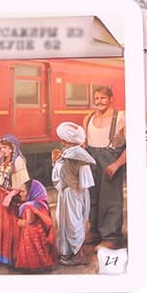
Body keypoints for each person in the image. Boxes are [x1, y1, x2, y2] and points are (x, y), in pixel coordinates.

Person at [83, 86, 126, 250]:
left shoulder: (121, 118)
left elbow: (132, 146)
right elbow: (84, 143)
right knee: (91, 198)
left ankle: (111, 237)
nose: (99, 101)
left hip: (110, 160)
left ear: (111, 99)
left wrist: (116, 164)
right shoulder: (88, 118)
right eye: (96, 98)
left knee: (110, 200)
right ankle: (94, 232)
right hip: (91, 160)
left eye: (103, 98)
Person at [51, 122, 96, 266]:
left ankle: (75, 254)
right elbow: (63, 173)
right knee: (67, 222)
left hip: (72, 194)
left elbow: (83, 181)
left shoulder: (77, 156)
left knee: (72, 223)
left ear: (68, 141)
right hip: (69, 194)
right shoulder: (69, 154)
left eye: (64, 140)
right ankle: (69, 253)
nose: (62, 142)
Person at [0, 134, 30, 266]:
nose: (1, 150)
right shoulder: (2, 159)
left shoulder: (18, 161)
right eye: (1, 148)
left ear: (12, 148)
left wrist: (10, 196)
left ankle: (8, 254)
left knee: (8, 224)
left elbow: (23, 182)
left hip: (9, 196)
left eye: (4, 148)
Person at [14, 179, 55, 272]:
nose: (20, 194)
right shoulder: (41, 203)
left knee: (33, 254)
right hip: (40, 234)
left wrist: (20, 222)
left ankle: (34, 267)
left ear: (31, 193)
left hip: (32, 236)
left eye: (23, 191)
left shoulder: (29, 206)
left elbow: (29, 221)